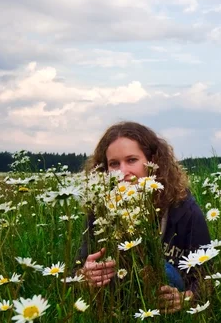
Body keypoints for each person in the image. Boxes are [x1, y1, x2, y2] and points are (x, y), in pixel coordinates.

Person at [76, 121, 211, 313]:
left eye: (131, 160)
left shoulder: (183, 208)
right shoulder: (101, 210)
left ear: (153, 162)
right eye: (114, 164)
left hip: (169, 304)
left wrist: (186, 298)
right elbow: (78, 267)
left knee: (164, 270)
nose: (122, 172)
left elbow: (207, 275)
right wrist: (85, 275)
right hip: (118, 307)